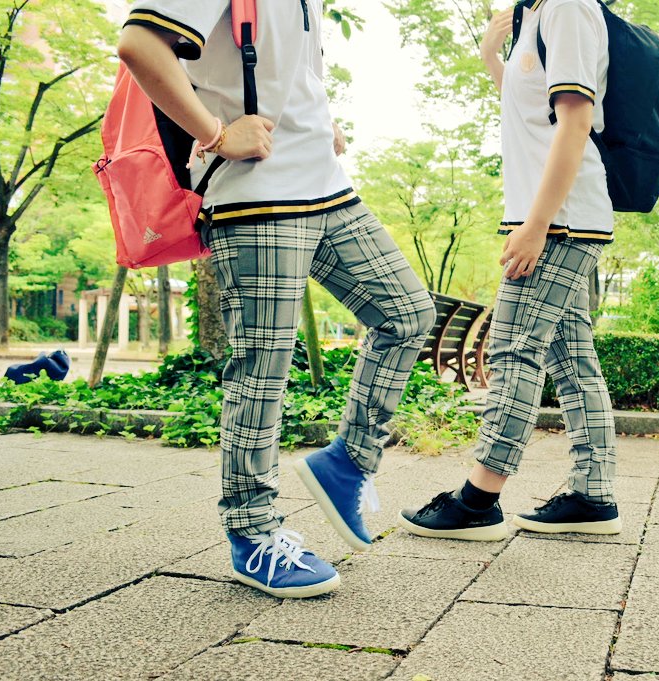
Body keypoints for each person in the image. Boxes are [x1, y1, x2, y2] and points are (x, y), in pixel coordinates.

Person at [117, 1, 435, 598]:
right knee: (263, 366)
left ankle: (347, 462)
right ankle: (252, 532)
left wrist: (318, 120)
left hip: (328, 188)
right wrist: (215, 134)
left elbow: (282, 69)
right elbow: (139, 43)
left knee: (407, 313)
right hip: (255, 192)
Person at [400, 0, 621, 540]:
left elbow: (575, 122)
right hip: (558, 218)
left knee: (513, 347)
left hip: (560, 221)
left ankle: (478, 501)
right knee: (572, 361)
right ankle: (593, 496)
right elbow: (528, 115)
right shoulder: (537, 14)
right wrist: (490, 57)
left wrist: (537, 224)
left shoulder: (567, 7)